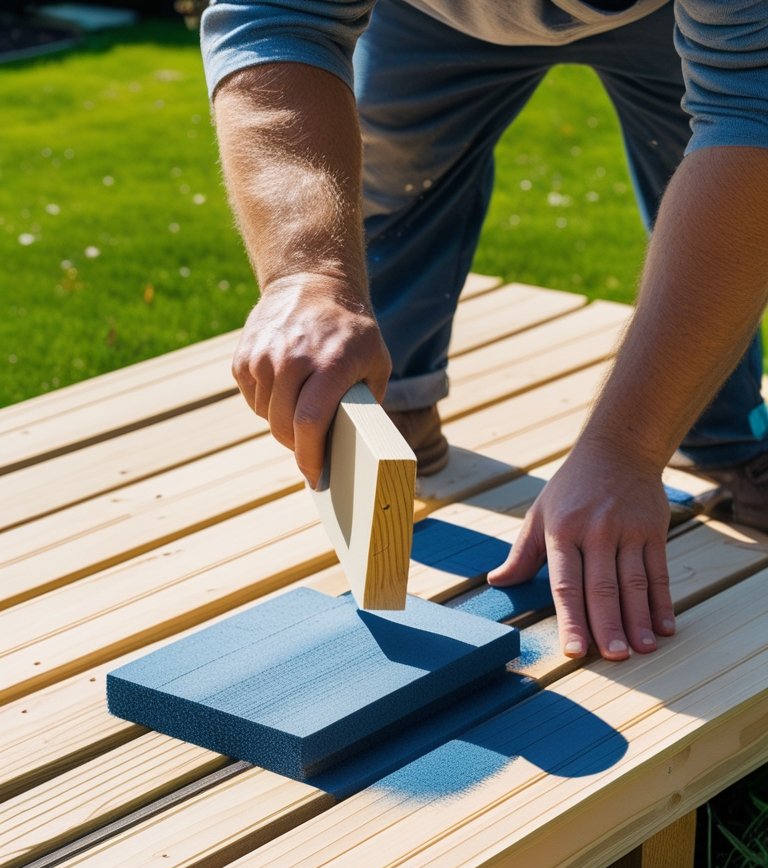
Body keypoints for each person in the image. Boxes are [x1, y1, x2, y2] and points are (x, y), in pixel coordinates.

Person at [200, 0, 768, 662]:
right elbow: (275, 18)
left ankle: (724, 434)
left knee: (712, 185)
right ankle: (397, 400)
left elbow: (750, 115)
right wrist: (306, 275)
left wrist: (627, 449)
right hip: (433, 14)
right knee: (398, 179)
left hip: (669, 18)